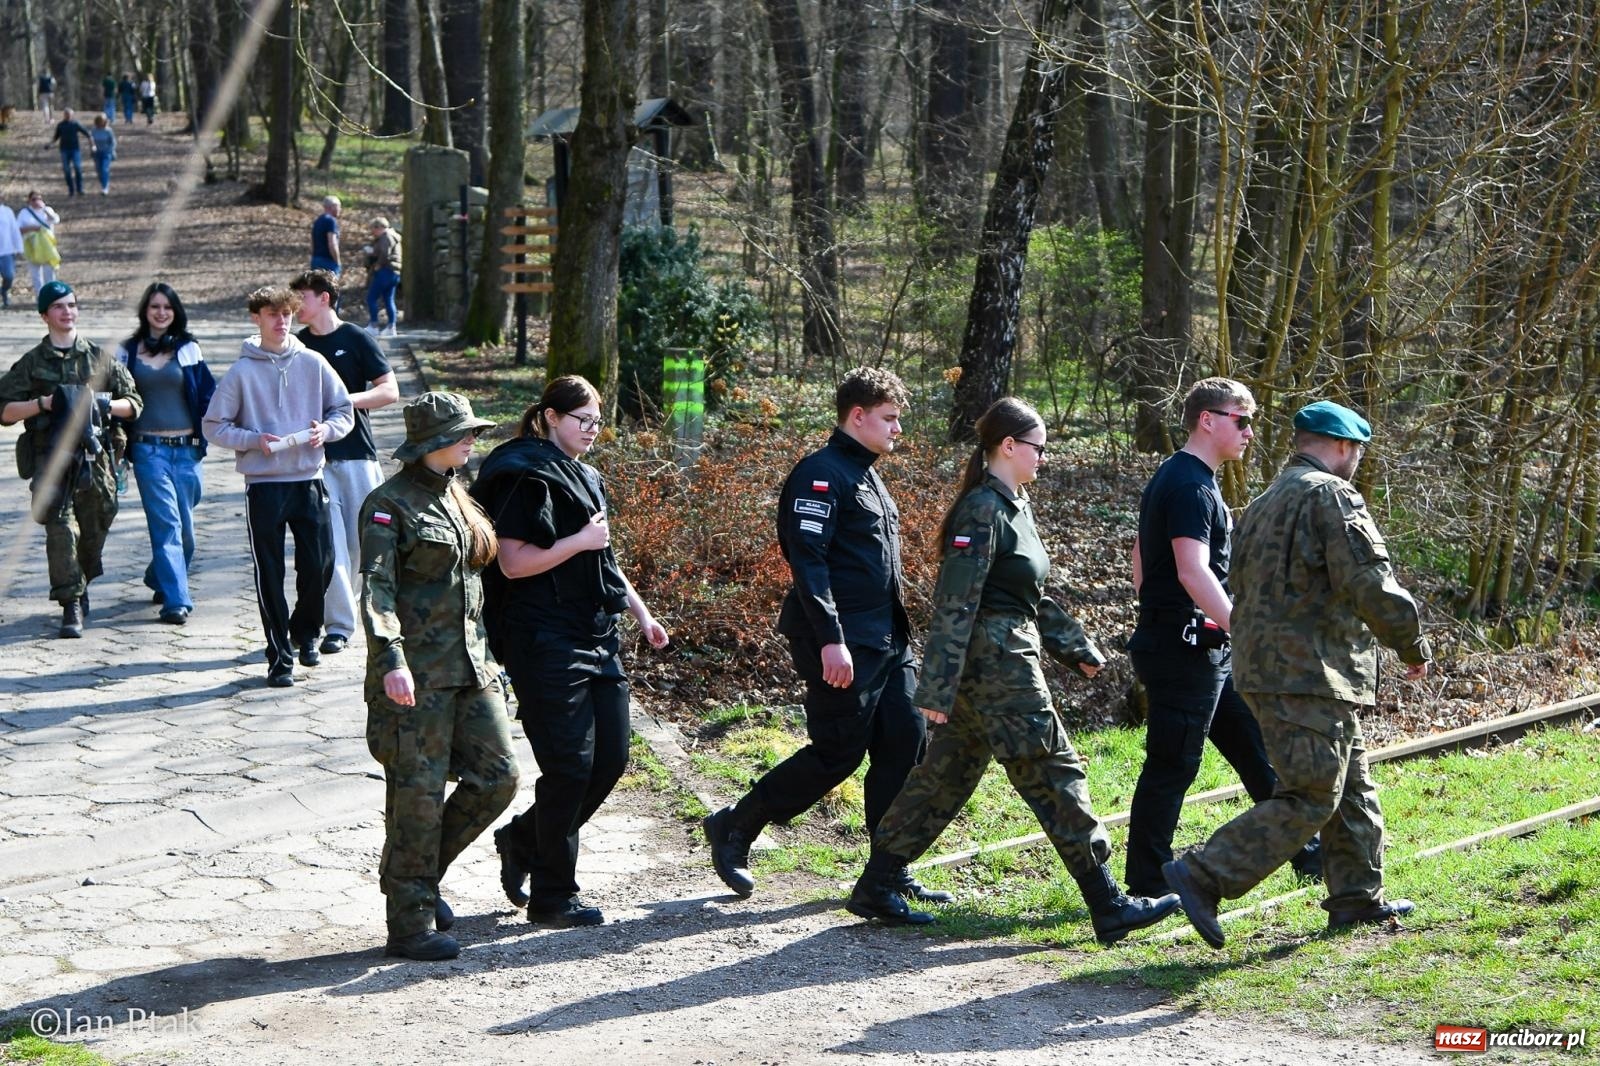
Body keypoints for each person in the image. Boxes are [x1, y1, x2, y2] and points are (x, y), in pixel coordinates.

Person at [843, 398, 1182, 944]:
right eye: (1038, 448)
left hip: (1003, 655)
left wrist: (1073, 645)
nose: (1043, 458)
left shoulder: (1014, 505)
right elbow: (955, 600)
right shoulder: (982, 509)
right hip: (997, 665)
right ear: (1008, 446)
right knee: (1053, 768)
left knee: (945, 776)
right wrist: (937, 687)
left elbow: (1027, 594)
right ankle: (1108, 903)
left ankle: (877, 881)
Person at [1164, 401, 1432, 950]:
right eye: (1357, 451)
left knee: (1349, 783)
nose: (1356, 461)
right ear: (1341, 446)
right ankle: (1205, 873)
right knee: (1311, 793)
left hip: (1268, 667)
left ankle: (1356, 898)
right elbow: (1370, 581)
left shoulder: (1263, 502)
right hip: (1309, 670)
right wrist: (1410, 641)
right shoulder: (1332, 496)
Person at [703, 368, 939, 903]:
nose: (898, 429)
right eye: (890, 418)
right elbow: (808, 562)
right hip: (839, 641)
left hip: (887, 641)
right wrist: (832, 637)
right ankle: (738, 826)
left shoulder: (868, 473)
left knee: (905, 744)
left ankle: (886, 873)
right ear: (858, 416)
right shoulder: (821, 474)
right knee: (838, 753)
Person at [471, 375, 669, 927]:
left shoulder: (586, 476)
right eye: (582, 420)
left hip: (596, 632)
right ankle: (554, 894)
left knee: (612, 758)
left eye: (598, 422)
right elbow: (512, 562)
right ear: (552, 417)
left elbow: (601, 557)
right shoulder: (523, 475)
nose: (592, 431)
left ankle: (522, 839)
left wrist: (642, 613)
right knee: (569, 767)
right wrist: (578, 542)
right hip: (542, 637)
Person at [1123, 377, 1320, 899]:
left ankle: (1307, 853)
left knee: (1256, 750)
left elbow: (1143, 558)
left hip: (1201, 647)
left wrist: (1168, 612)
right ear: (1207, 420)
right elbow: (1192, 571)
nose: (1250, 432)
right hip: (1185, 649)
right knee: (1173, 763)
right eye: (1241, 419)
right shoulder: (1189, 485)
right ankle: (1146, 882)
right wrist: (1241, 626)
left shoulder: (1183, 478)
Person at [360, 392, 521, 962]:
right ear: (431, 442)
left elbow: (475, 593)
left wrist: (496, 666)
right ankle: (408, 926)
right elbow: (376, 591)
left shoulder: (458, 494)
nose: (472, 440)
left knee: (499, 778)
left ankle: (415, 872)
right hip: (417, 678)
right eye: (463, 433)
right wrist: (392, 661)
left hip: (473, 669)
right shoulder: (389, 505)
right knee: (417, 801)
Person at [202, 286, 353, 687]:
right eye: (272, 314)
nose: (282, 320)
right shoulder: (241, 371)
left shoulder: (313, 362)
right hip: (265, 486)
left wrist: (328, 430)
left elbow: (343, 410)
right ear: (257, 318)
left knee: (319, 566)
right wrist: (254, 440)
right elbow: (213, 425)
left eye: (287, 313)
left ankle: (306, 631)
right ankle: (279, 657)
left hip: (310, 479)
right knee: (269, 572)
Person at [0, 281, 142, 637]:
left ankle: (82, 579)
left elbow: (134, 404)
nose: (67, 311)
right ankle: (71, 604)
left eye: (72, 305)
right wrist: (43, 404)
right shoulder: (32, 363)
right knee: (61, 530)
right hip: (52, 462)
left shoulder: (98, 357)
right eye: (59, 306)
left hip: (95, 462)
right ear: (44, 315)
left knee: (97, 526)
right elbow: (4, 411)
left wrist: (102, 404)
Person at [291, 268, 399, 656]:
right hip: (313, 462)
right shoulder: (297, 346)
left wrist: (343, 401)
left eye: (301, 297)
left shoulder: (355, 338)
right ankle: (338, 625)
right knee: (329, 547)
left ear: (324, 298)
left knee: (360, 545)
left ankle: (365, 611)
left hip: (357, 457)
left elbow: (389, 390)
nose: (295, 305)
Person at [114, 283, 215, 624]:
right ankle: (176, 600)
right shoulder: (127, 352)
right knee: (167, 525)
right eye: (154, 306)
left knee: (186, 531)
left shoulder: (188, 348)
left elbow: (206, 395)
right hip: (148, 451)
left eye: (167, 307)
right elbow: (113, 396)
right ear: (145, 311)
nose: (161, 312)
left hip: (186, 451)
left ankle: (160, 576)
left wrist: (209, 437)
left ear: (175, 312)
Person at [364, 217, 402, 336]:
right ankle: (391, 327)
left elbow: (385, 253)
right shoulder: (393, 236)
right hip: (394, 272)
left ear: (379, 227)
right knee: (389, 299)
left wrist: (378, 265)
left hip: (385, 271)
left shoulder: (386, 237)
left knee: (371, 298)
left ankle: (374, 325)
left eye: (374, 229)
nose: (373, 232)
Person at [17, 191, 61, 294]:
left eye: (39, 199)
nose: (37, 201)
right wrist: (32, 228)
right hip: (31, 246)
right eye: (34, 199)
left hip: (47, 247)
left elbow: (55, 219)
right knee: (36, 275)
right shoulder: (24, 212)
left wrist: (44, 209)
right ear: (29, 201)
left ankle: (51, 296)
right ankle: (40, 297)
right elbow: (18, 229)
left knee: (49, 274)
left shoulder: (47, 210)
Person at [48, 109, 91, 197]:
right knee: (67, 170)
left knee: (77, 168)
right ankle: (71, 190)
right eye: (66, 114)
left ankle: (80, 189)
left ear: (72, 115)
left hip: (75, 150)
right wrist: (50, 144)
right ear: (64, 115)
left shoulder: (75, 124)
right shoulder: (60, 125)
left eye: (70, 114)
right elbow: (56, 137)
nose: (68, 116)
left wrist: (92, 143)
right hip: (64, 150)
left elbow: (87, 133)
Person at [0, 197, 22, 309]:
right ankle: (4, 300)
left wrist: (19, 247)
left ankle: (4, 291)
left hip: (6, 251)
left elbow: (14, 230)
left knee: (9, 276)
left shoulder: (7, 211)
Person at [310, 196, 342, 274]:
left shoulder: (318, 221)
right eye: (339, 206)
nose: (340, 209)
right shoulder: (331, 221)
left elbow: (312, 242)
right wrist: (337, 261)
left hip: (316, 259)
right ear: (333, 207)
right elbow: (332, 243)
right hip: (328, 262)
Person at [89, 115, 117, 196]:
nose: (101, 122)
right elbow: (91, 140)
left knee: (104, 169)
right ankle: (104, 182)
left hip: (106, 153)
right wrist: (92, 148)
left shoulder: (108, 130)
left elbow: (113, 142)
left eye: (103, 120)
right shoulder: (94, 130)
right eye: (100, 120)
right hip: (96, 153)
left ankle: (105, 188)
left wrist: (111, 150)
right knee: (98, 170)